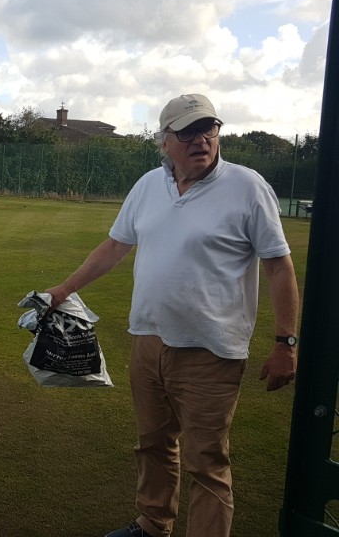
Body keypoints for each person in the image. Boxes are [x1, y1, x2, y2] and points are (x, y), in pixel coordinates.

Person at [46, 94, 300, 537]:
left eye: (208, 129)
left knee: (207, 463)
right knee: (153, 445)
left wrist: (285, 343)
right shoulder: (148, 186)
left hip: (211, 351)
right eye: (187, 132)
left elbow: (278, 265)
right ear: (165, 142)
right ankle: (153, 523)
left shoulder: (247, 186)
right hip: (148, 341)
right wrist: (66, 287)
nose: (201, 139)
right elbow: (116, 246)